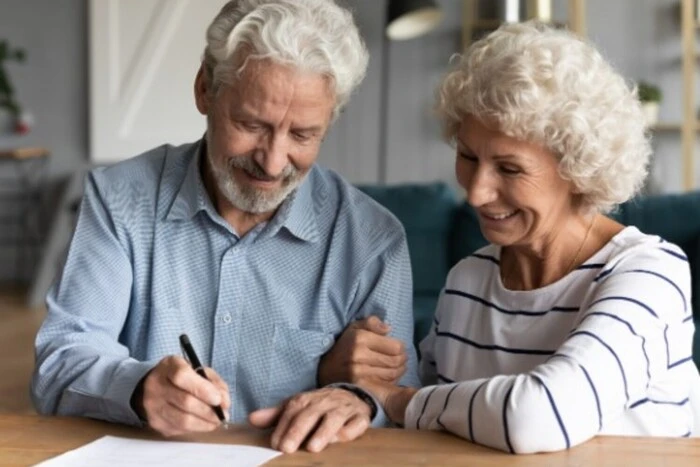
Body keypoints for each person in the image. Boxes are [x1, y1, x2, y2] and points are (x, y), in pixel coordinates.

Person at [31, 0, 419, 453]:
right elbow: (60, 361)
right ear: (204, 90)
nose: (272, 162)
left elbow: (400, 404)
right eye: (251, 124)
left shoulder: (373, 240)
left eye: (302, 135)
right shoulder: (119, 199)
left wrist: (352, 394)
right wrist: (137, 389)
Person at [294, 21, 700, 453]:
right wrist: (350, 377)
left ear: (579, 170)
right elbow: (435, 424)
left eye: (509, 169)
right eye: (467, 156)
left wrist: (397, 399)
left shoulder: (650, 274)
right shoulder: (468, 281)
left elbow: (539, 416)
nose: (476, 192)